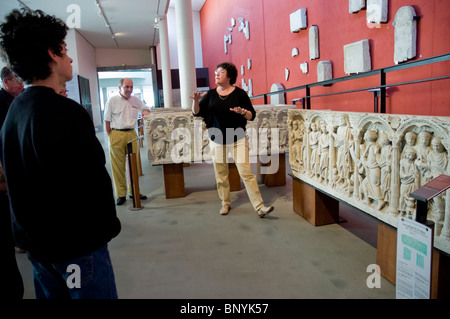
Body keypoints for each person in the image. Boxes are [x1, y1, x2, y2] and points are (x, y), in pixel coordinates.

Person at [0, 8, 121, 299]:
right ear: (51, 54)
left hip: (39, 248)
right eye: (65, 50)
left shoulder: (14, 113)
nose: (70, 58)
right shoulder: (66, 113)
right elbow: (92, 179)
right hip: (76, 246)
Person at [190, 62, 274, 217]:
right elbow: (196, 113)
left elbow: (251, 115)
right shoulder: (211, 95)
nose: (216, 74)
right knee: (221, 174)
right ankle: (225, 203)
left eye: (220, 72)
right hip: (217, 139)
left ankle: (260, 207)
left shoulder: (240, 94)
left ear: (229, 76)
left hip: (238, 139)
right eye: (216, 72)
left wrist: (243, 113)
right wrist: (195, 101)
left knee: (246, 173)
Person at [104, 78, 151, 205]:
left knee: (133, 165)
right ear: (120, 87)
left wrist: (146, 111)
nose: (129, 90)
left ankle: (134, 192)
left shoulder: (135, 100)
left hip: (131, 133)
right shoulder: (112, 101)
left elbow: (146, 108)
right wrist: (111, 135)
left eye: (131, 87)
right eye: (126, 87)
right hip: (116, 134)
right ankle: (120, 194)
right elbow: (107, 120)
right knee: (117, 166)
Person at [0, 66, 24, 299]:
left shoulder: (15, 102)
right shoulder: (4, 103)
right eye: (18, 80)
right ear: (6, 81)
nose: (21, 84)